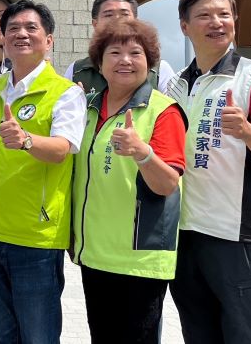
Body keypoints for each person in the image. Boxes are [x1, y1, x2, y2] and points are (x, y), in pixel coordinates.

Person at [165, 0, 251, 344]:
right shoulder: (175, 84)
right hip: (185, 235)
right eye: (204, 15)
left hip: (237, 238)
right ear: (185, 27)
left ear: (235, 21)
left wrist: (248, 131)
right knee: (198, 334)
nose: (216, 22)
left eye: (224, 15)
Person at [0, 0, 86, 344]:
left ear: (49, 40)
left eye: (31, 28)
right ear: (3, 40)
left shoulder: (65, 93)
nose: (21, 34)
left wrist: (25, 141)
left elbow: (63, 148)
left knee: (38, 335)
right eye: (13, 29)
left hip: (34, 237)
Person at [71, 19, 187, 344]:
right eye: (115, 52)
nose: (125, 60)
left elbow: (167, 184)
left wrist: (142, 153)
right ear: (99, 62)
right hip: (94, 254)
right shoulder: (89, 109)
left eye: (135, 53)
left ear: (149, 63)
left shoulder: (163, 111)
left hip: (139, 258)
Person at [63, 0, 174, 95]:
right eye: (109, 15)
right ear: (95, 24)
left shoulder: (159, 71)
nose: (117, 20)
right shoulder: (76, 71)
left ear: (136, 21)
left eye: (124, 14)